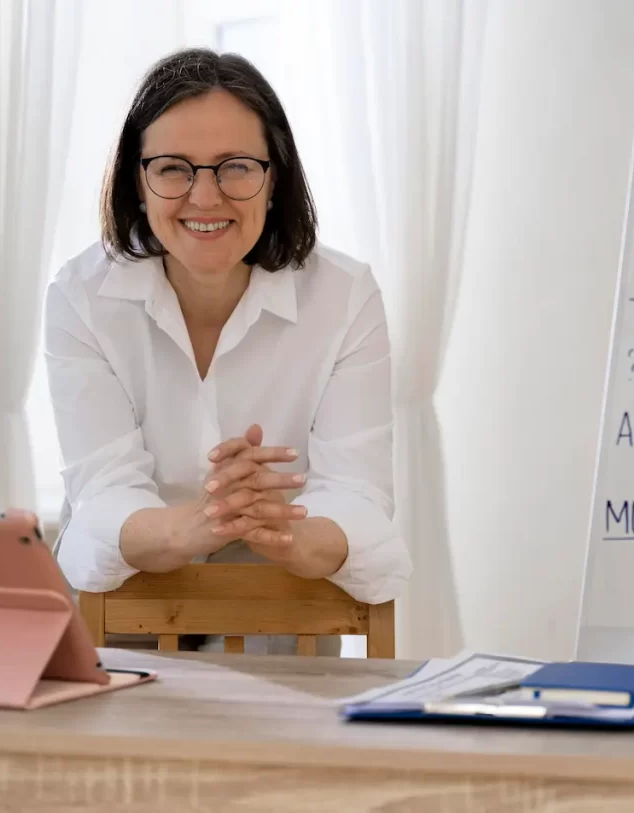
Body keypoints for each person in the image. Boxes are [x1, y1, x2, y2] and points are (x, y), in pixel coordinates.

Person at [44, 47, 411, 654]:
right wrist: (196, 524)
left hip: (284, 624)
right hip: (123, 623)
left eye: (236, 166)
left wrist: (285, 532)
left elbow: (360, 494)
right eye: (173, 168)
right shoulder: (81, 296)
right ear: (138, 183)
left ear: (275, 180)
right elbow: (102, 491)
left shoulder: (345, 297)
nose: (205, 197)